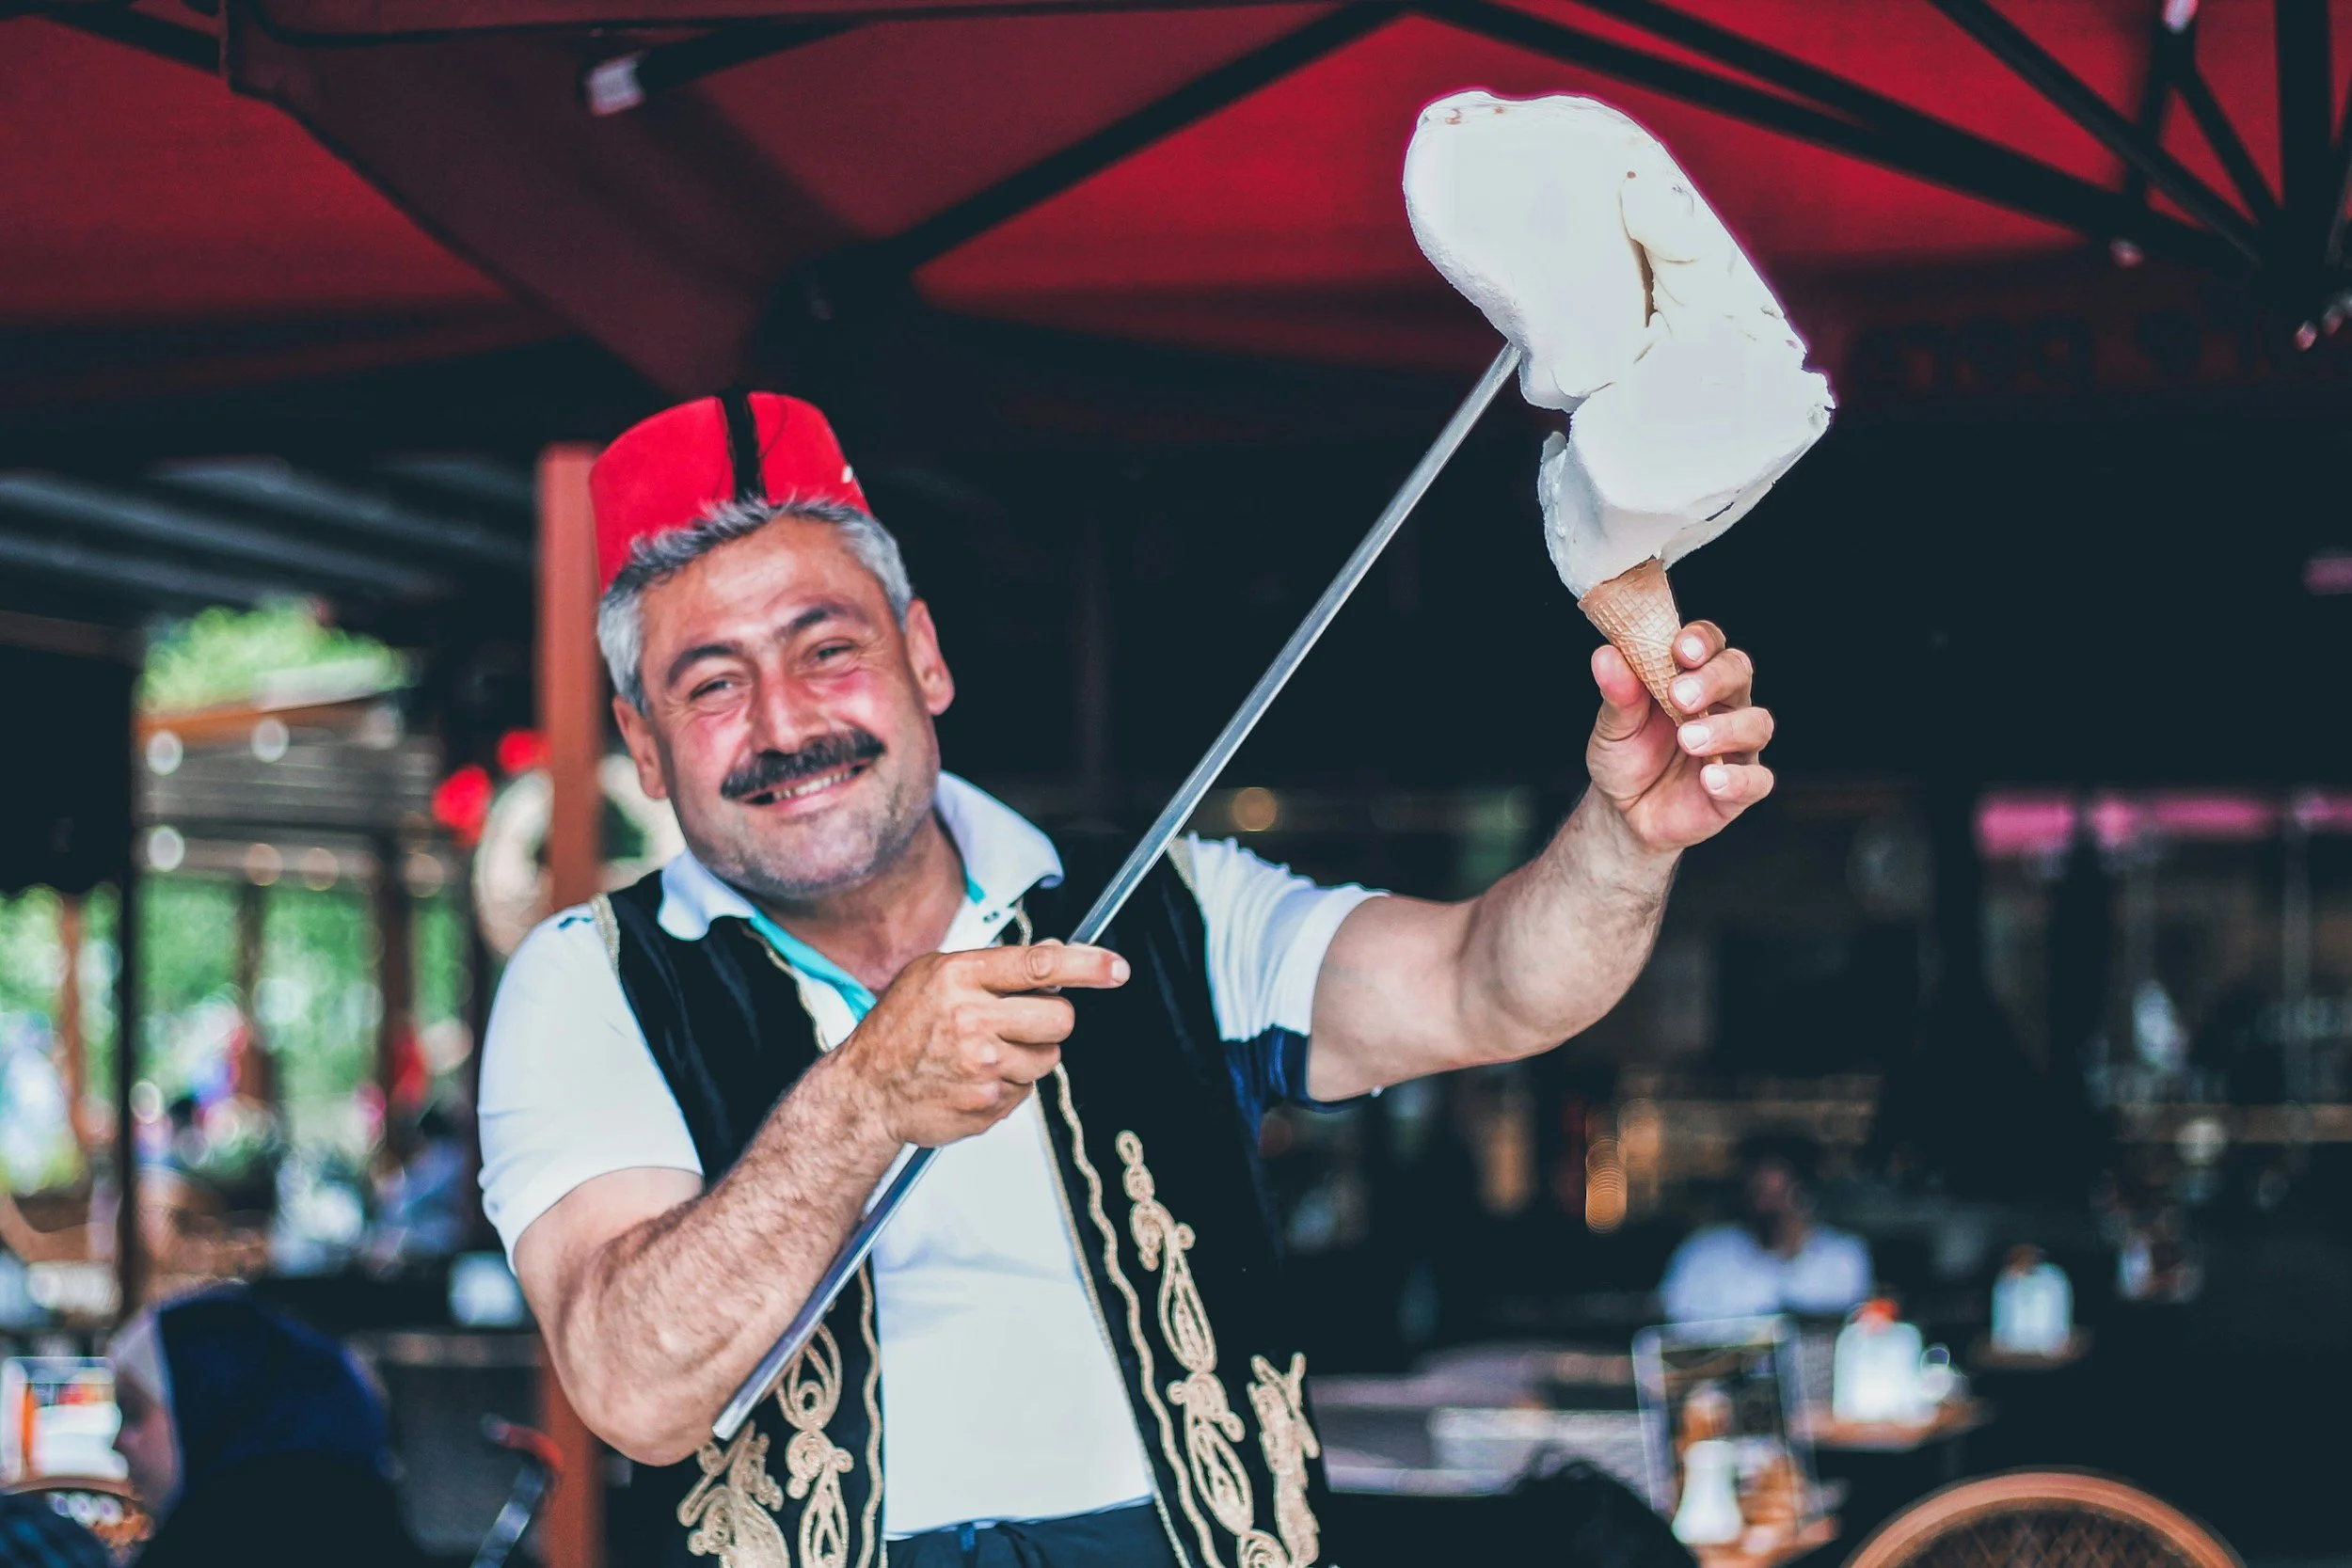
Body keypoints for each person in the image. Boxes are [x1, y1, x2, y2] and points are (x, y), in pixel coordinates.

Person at [478, 391, 1777, 1568]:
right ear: (643, 745)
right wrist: (863, 1096)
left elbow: (1489, 984)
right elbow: (634, 1389)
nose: (785, 723)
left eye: (828, 649)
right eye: (711, 682)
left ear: (925, 656)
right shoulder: (587, 980)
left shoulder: (1171, 904)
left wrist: (1624, 839)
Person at [107, 1287, 425, 1568]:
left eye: (133, 1412)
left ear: (208, 1405)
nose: (117, 1443)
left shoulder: (208, 1541)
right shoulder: (372, 1521)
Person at [1660, 1133, 1870, 1323]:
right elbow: (1675, 1339)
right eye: (1758, 1190)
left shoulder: (1844, 1257)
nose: (1770, 1208)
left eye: (1780, 1194)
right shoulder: (1702, 1255)